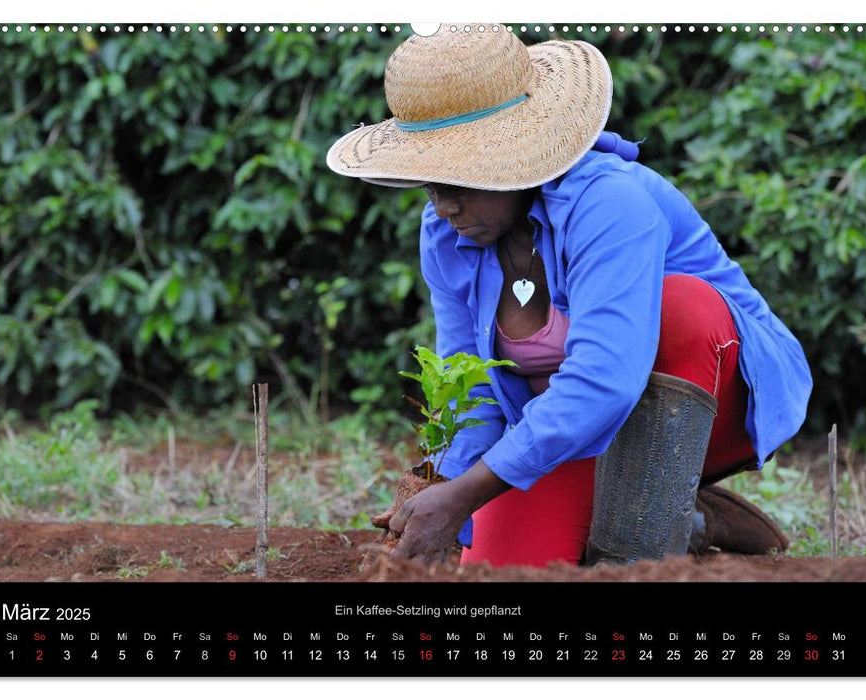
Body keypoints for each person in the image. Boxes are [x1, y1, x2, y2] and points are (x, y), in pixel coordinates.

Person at [326, 24, 812, 567]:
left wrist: (465, 494)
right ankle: (689, 519)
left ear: (511, 159)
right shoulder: (447, 233)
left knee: (678, 307)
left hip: (714, 398)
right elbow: (470, 379)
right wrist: (447, 490)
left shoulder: (610, 202)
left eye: (457, 181)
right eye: (429, 183)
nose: (443, 205)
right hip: (572, 428)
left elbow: (606, 377)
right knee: (498, 570)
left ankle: (645, 539)